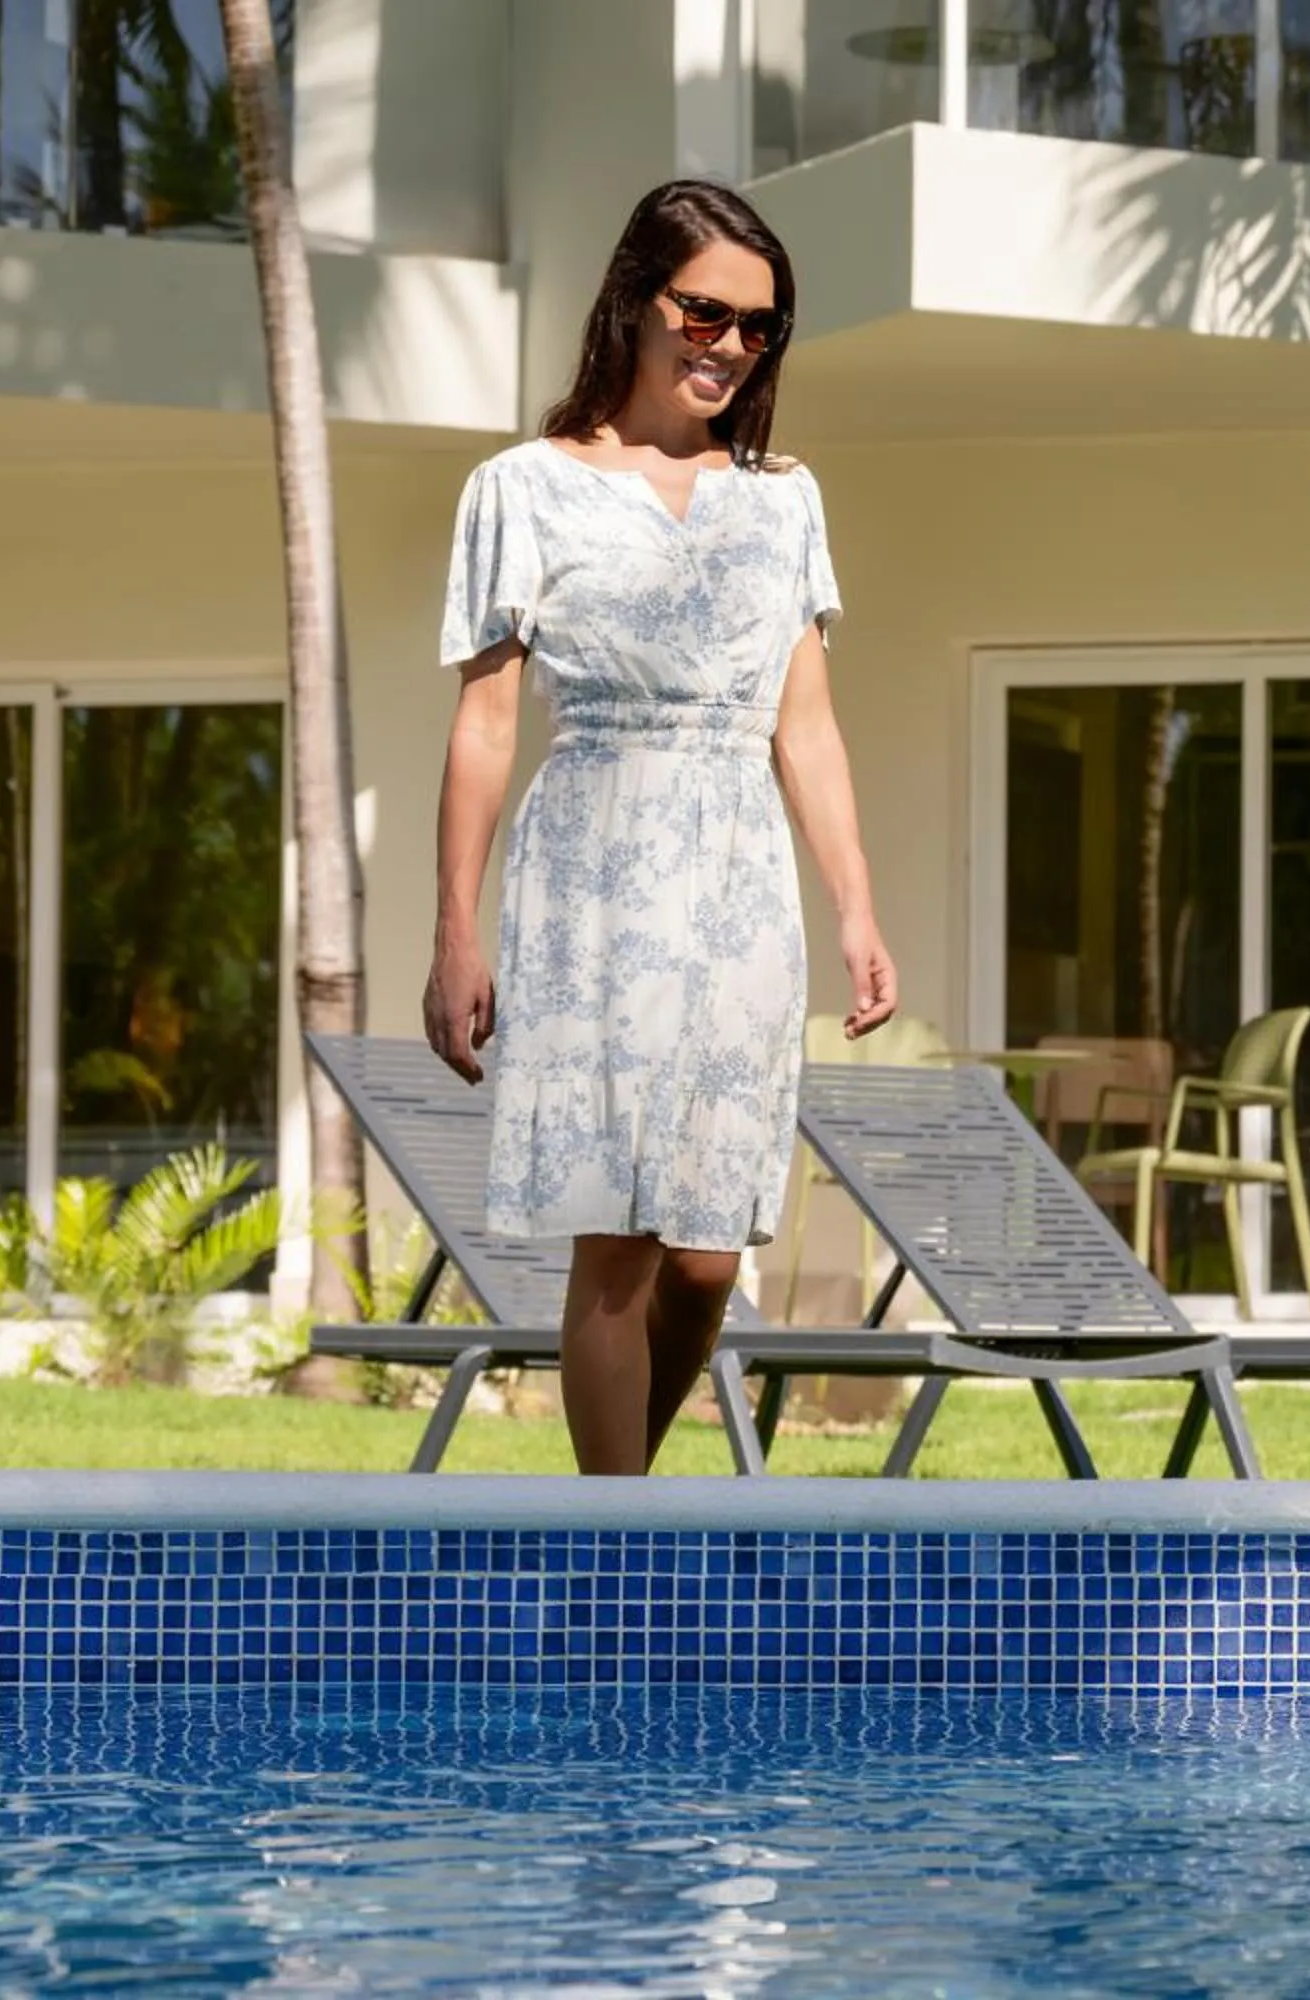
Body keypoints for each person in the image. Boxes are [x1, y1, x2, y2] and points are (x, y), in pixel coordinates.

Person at [424, 180, 895, 1475]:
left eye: (759, 327)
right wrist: (455, 937)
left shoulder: (784, 500)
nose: (729, 346)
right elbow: (483, 728)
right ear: (637, 300)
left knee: (706, 1252)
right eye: (705, 311)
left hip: (738, 882)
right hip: (588, 881)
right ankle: (621, 1540)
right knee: (618, 1242)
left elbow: (806, 726)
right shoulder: (522, 488)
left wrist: (854, 906)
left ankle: (628, 1514)